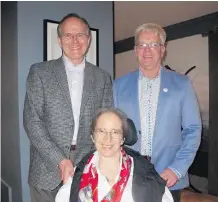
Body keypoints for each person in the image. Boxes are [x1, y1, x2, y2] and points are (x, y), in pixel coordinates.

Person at [23, 13, 113, 202]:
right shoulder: (40, 72)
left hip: (87, 165)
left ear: (88, 39)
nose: (74, 41)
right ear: (59, 40)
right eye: (68, 35)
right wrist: (60, 160)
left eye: (80, 35)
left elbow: (106, 122)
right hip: (45, 168)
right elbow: (32, 121)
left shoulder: (102, 77)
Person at [113, 23, 202, 202]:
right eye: (142, 45)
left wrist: (177, 169)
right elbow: (113, 131)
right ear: (135, 50)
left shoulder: (182, 84)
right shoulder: (118, 85)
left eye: (153, 44)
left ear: (162, 49)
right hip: (129, 174)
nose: (147, 50)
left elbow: (193, 130)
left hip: (168, 174)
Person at [55, 107, 174, 202]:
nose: (108, 138)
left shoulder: (146, 175)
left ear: (123, 138)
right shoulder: (77, 176)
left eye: (115, 132)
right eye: (101, 131)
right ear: (92, 136)